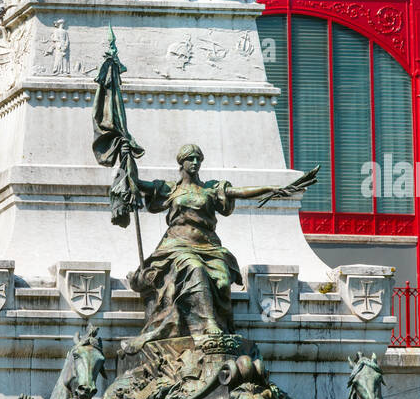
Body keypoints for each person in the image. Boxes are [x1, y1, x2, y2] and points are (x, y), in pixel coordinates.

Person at [126, 143, 316, 350]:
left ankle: (219, 324)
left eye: (199, 159)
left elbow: (240, 192)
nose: (195, 163)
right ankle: (207, 322)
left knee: (223, 281)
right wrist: (126, 159)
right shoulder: (170, 189)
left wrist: (271, 189)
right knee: (194, 268)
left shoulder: (211, 188)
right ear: (181, 162)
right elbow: (136, 183)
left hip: (208, 246)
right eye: (191, 159)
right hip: (177, 245)